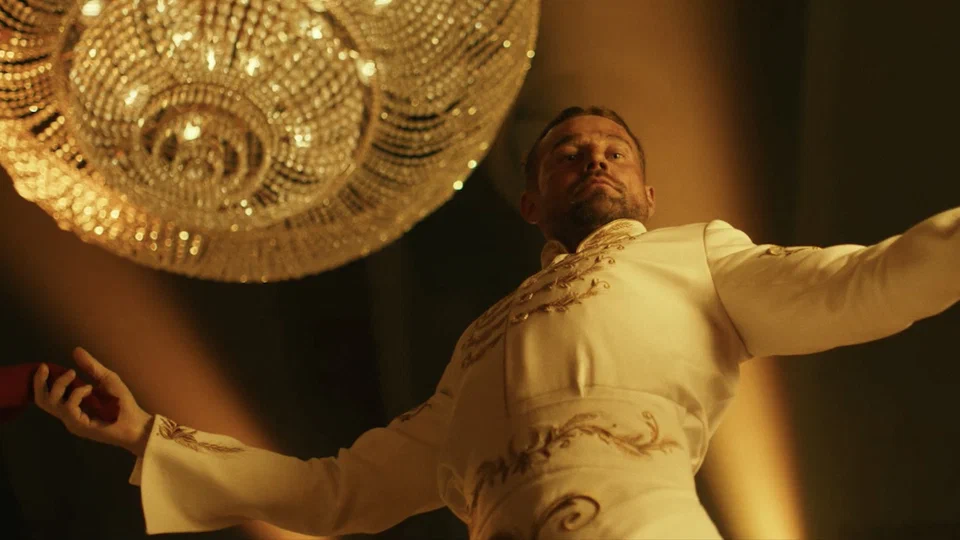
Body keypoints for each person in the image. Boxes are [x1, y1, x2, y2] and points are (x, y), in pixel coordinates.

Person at [34, 106, 960, 539]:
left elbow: (862, 282)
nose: (593, 160)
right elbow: (331, 491)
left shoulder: (699, 256)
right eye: (567, 154)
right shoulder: (476, 347)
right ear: (531, 202)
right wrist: (147, 436)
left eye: (614, 151)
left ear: (647, 192)